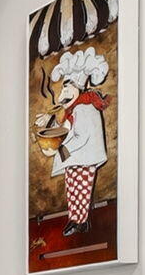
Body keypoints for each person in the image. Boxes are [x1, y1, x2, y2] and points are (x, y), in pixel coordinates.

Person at [40, 47, 110, 235]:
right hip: (76, 159)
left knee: (80, 189)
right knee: (73, 189)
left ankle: (79, 221)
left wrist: (60, 149)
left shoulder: (85, 108)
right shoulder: (76, 109)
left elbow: (80, 137)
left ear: (78, 87)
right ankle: (77, 219)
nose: (63, 95)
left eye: (66, 87)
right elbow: (67, 128)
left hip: (84, 158)